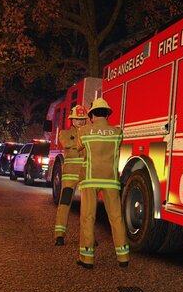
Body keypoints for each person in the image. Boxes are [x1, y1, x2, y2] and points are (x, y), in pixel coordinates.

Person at [76, 98, 129, 269]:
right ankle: (123, 257)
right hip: (111, 180)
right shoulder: (117, 132)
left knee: (88, 218)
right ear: (107, 114)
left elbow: (78, 148)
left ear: (91, 115)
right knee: (116, 217)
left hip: (90, 179)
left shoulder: (84, 131)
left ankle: (87, 258)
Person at [54, 105, 89, 246]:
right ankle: (59, 235)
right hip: (70, 176)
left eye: (82, 119)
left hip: (85, 174)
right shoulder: (64, 133)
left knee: (88, 207)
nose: (80, 122)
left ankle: (89, 236)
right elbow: (67, 143)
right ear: (72, 120)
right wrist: (82, 142)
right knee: (64, 204)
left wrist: (78, 142)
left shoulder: (88, 132)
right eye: (77, 119)